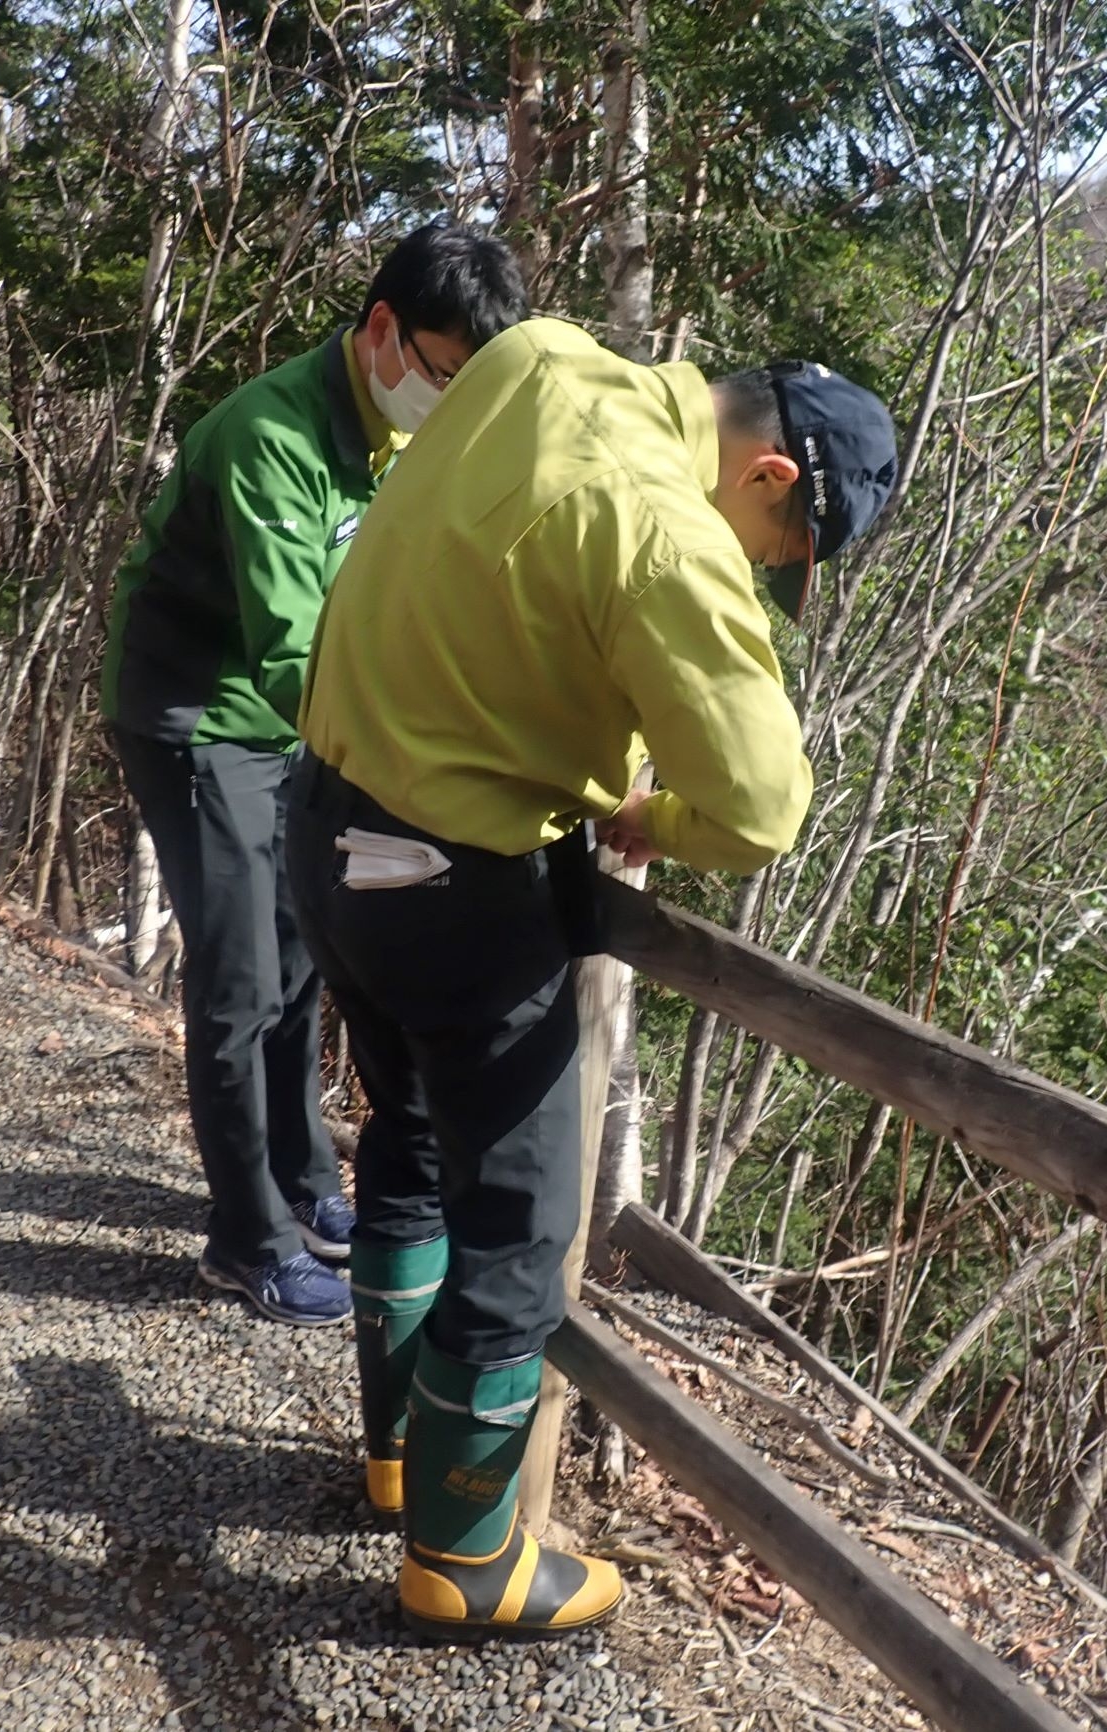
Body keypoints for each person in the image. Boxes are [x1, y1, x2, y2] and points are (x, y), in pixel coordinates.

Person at [286, 317, 897, 1636]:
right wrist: (645, 822)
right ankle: (462, 1559)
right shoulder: (672, 534)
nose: (761, 572)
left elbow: (491, 589)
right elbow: (758, 807)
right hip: (453, 881)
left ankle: (400, 1457)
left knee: (404, 1137)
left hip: (326, 828)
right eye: (780, 557)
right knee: (520, 1222)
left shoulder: (538, 359)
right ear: (771, 480)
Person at [101, 221, 528, 1327]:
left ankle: (302, 1181)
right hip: (203, 718)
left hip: (305, 724)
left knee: (301, 955)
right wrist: (424, 767)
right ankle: (243, 1238)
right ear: (382, 332)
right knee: (239, 980)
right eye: (441, 373)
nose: (448, 399)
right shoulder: (270, 437)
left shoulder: (403, 434)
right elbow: (296, 651)